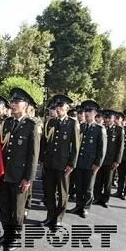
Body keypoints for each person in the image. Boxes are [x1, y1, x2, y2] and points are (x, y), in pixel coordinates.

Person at [0, 88, 40, 251]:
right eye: (12, 101)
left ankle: (14, 238)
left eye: (17, 102)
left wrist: (28, 179)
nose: (13, 104)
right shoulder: (8, 123)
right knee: (5, 207)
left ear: (25, 105)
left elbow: (33, 155)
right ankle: (6, 234)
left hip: (19, 175)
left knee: (17, 210)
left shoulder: (32, 126)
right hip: (4, 173)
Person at [40, 94, 80, 229]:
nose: (58, 108)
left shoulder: (72, 123)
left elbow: (75, 146)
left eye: (61, 106)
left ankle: (58, 219)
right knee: (50, 192)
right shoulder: (50, 122)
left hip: (63, 165)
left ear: (67, 108)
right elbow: (44, 142)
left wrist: (71, 164)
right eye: (57, 106)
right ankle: (50, 216)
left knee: (62, 194)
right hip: (50, 163)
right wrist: (42, 160)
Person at [67, 100, 106, 218]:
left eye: (89, 111)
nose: (86, 113)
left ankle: (85, 208)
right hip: (79, 162)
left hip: (91, 163)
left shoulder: (100, 129)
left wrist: (97, 164)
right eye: (85, 111)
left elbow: (102, 149)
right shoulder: (81, 126)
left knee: (88, 188)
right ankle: (78, 205)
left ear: (95, 113)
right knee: (78, 186)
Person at [93, 110, 124, 208]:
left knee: (108, 181)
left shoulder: (119, 130)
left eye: (109, 118)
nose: (107, 120)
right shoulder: (101, 128)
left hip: (111, 160)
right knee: (98, 180)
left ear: (114, 119)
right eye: (105, 118)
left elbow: (120, 147)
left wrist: (117, 161)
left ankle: (105, 199)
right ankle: (97, 197)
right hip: (100, 159)